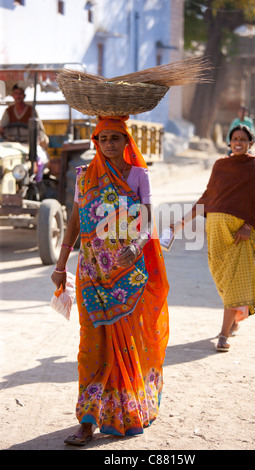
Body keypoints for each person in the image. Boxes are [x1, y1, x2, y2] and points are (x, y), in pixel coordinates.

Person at [51, 115, 169, 445]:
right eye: (103, 139)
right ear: (96, 142)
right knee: (90, 347)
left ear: (127, 141)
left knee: (128, 345)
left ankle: (128, 409)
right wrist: (61, 264)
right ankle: (87, 421)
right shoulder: (83, 176)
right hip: (90, 272)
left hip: (127, 276)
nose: (109, 145)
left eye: (115, 138)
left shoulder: (138, 175)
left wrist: (136, 245)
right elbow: (75, 220)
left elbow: (146, 219)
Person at [173, 124, 255, 352]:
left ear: (250, 143)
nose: (238, 143)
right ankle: (234, 321)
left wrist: (248, 225)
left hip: (239, 237)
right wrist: (180, 222)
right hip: (216, 234)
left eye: (243, 139)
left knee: (235, 283)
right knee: (223, 281)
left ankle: (223, 335)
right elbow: (207, 197)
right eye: (235, 138)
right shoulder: (220, 166)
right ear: (229, 142)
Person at [0, 84, 49, 181]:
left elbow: (40, 131)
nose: (18, 96)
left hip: (28, 144)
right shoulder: (8, 111)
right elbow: (2, 127)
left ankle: (36, 181)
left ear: (24, 95)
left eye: (20, 94)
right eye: (16, 93)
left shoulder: (32, 111)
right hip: (10, 143)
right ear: (12, 95)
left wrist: (34, 142)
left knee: (39, 158)